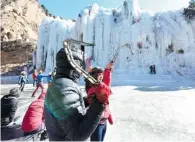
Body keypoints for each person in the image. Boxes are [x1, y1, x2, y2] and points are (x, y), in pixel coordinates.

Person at [44, 48, 111, 141]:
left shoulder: (62, 84)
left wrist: (86, 101)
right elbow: (77, 135)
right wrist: (99, 104)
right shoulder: (63, 88)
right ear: (74, 64)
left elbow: (66, 107)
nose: (82, 70)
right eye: (81, 65)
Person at [85, 62, 114, 142]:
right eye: (99, 74)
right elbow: (104, 88)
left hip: (104, 122)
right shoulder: (93, 89)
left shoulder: (102, 86)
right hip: (96, 124)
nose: (101, 76)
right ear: (94, 76)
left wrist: (108, 70)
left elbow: (106, 84)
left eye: (102, 74)